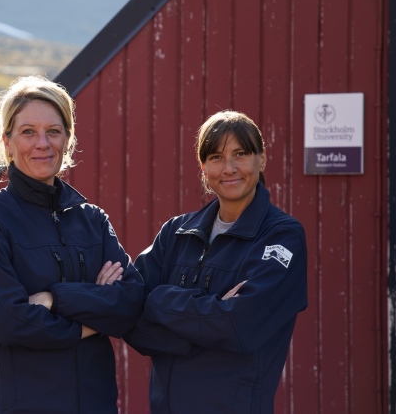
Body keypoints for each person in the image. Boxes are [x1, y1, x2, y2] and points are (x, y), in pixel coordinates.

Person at [0, 75, 144, 414]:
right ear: (7, 143)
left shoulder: (93, 219)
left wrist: (54, 299)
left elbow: (130, 302)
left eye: (54, 131)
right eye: (28, 132)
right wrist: (92, 321)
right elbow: (5, 320)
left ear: (68, 141)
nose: (42, 143)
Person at [124, 110, 308, 413]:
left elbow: (241, 325)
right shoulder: (176, 233)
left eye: (241, 154)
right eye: (217, 157)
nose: (230, 168)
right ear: (204, 167)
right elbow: (130, 312)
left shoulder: (281, 237)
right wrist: (207, 325)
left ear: (261, 160)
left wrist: (157, 299)